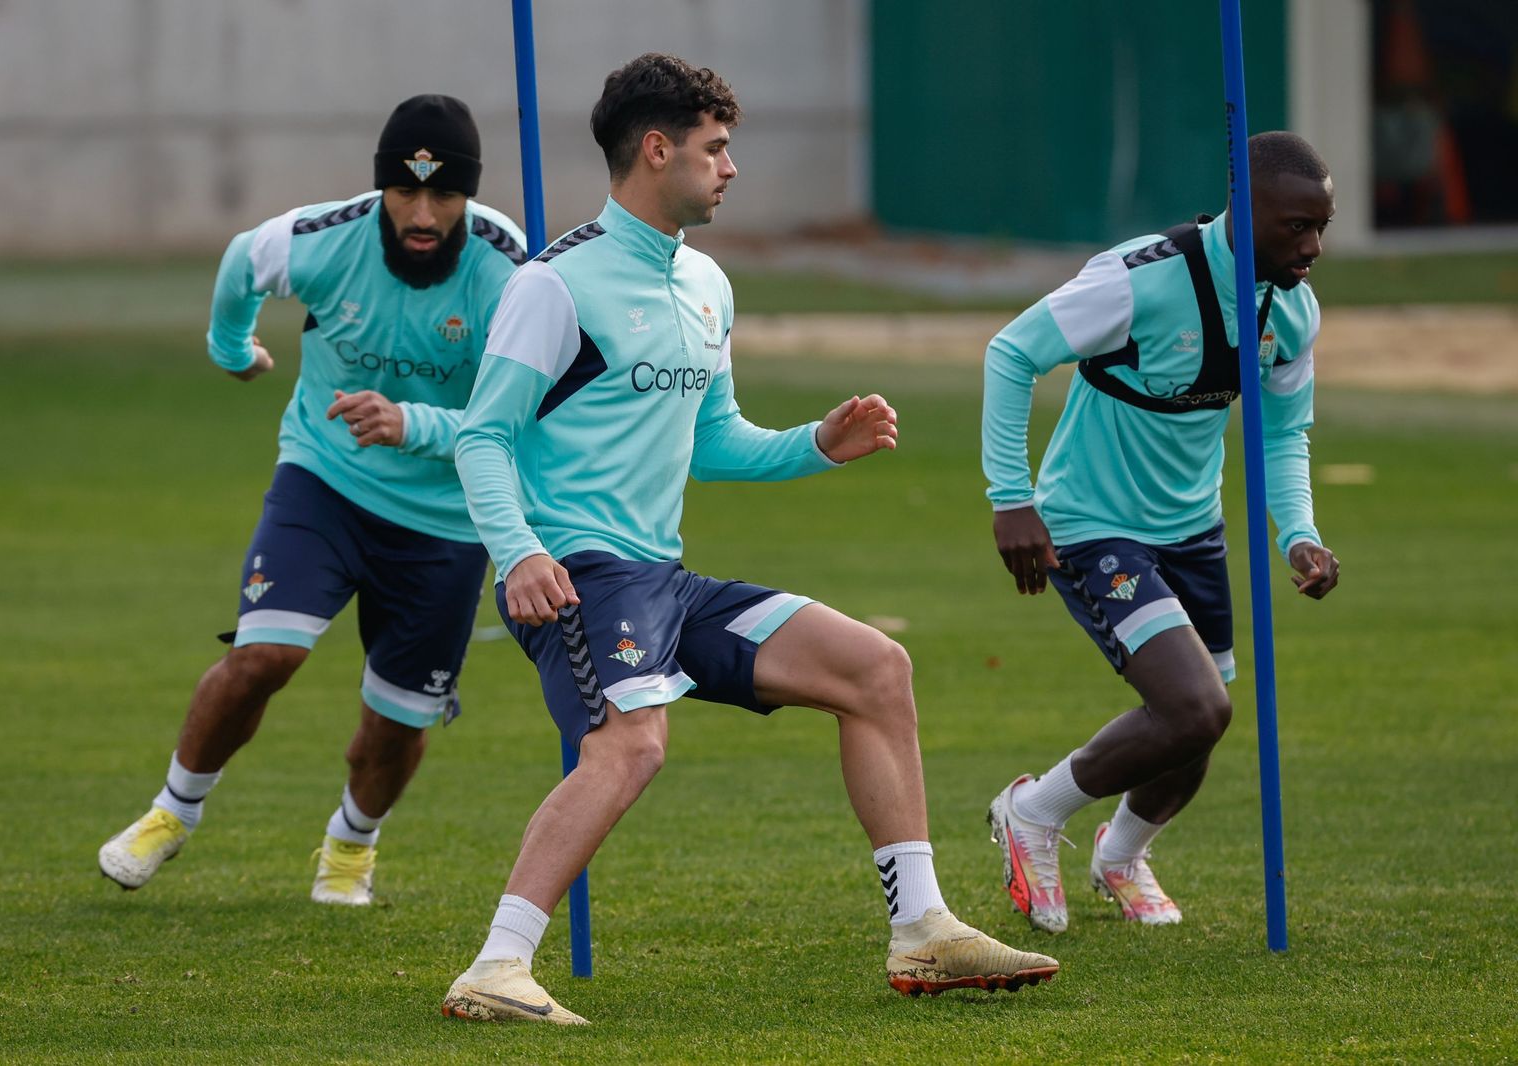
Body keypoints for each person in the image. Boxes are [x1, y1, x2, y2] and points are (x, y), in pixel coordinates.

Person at [439, 53, 1057, 1027]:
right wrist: (518, 552)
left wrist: (817, 443)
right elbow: (482, 434)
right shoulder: (555, 286)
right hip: (580, 575)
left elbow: (715, 442)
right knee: (632, 744)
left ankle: (924, 929)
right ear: (656, 149)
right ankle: (496, 966)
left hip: (661, 579)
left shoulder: (707, 286)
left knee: (874, 668)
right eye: (714, 148)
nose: (730, 168)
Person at [97, 95, 526, 905]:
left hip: (445, 519)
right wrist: (232, 350)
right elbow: (239, 262)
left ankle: (350, 849)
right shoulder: (324, 239)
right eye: (406, 192)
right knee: (266, 655)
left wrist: (414, 423)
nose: (423, 213)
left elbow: (528, 414)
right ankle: (171, 813)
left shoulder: (513, 272)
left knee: (396, 723)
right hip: (323, 481)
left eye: (444, 196)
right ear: (380, 187)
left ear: (470, 195)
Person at [980, 131, 1341, 934]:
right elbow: (1011, 355)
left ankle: (1121, 857)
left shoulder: (1292, 308)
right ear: (1244, 210)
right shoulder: (1139, 281)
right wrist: (1011, 498)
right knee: (1195, 707)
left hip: (1193, 528)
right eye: (1295, 227)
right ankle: (1032, 814)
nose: (1313, 246)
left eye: (1322, 226)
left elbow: (1282, 436)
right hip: (1090, 524)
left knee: (1197, 729)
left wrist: (1298, 534)